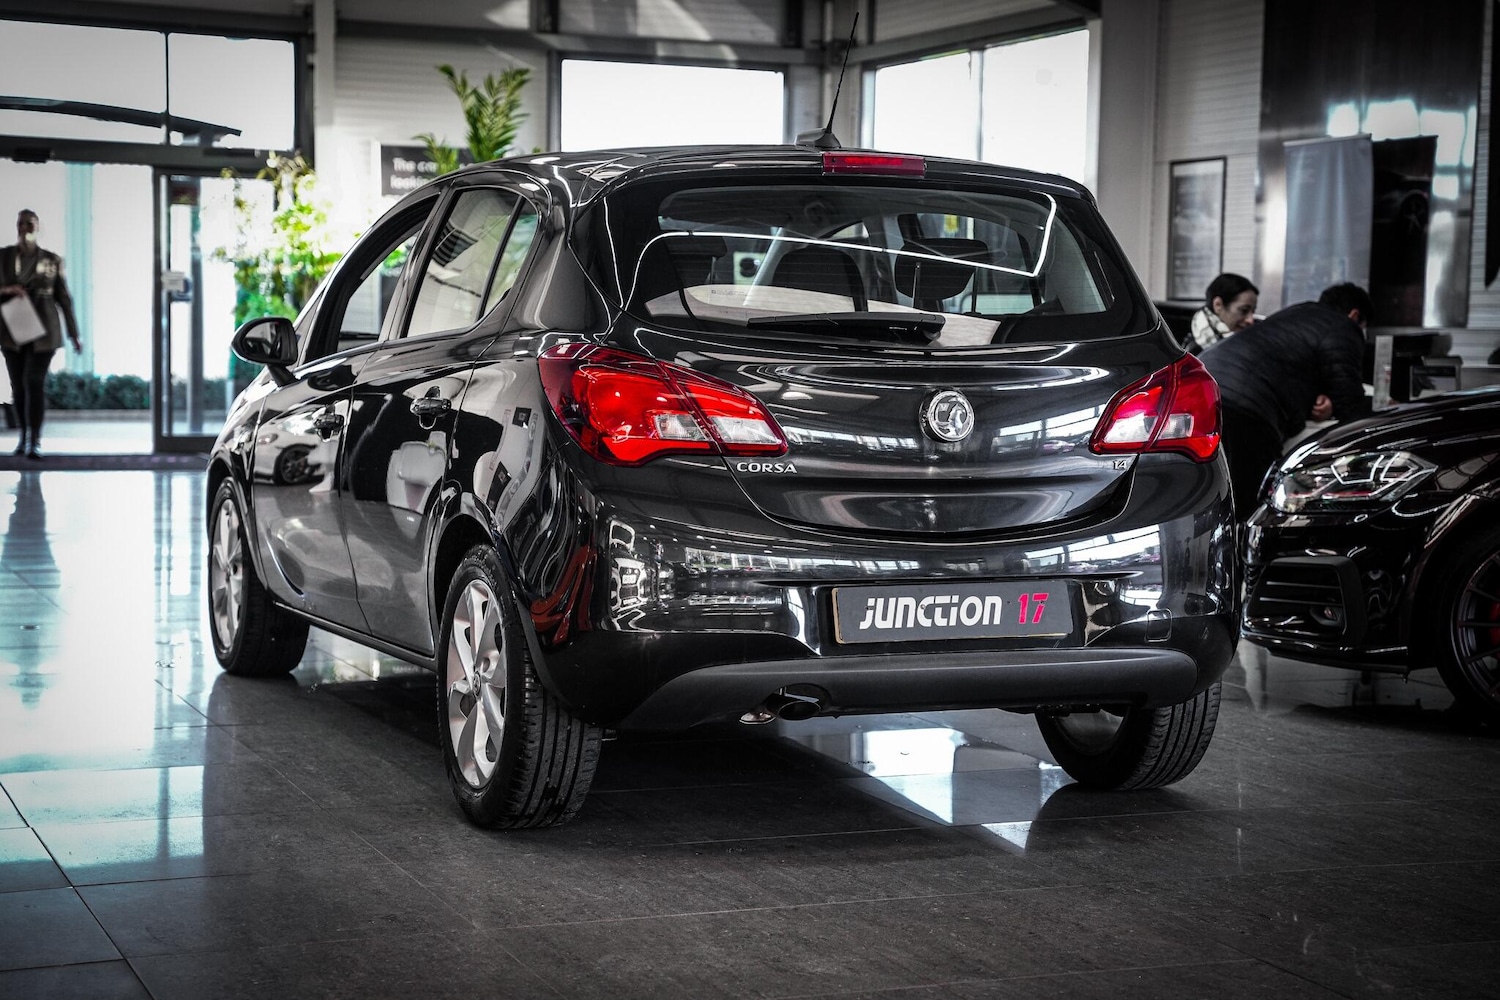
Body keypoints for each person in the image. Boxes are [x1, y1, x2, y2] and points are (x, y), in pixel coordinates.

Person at [1199, 282, 1373, 518]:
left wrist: (1320, 399)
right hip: (1245, 406)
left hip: (1205, 387)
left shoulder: (1297, 314)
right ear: (1355, 315)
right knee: (1251, 504)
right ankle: (1241, 553)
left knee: (1209, 494)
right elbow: (1349, 402)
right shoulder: (1343, 327)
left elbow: (1291, 366)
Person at [1, 210, 82, 460]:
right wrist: (8, 289)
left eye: (30, 224)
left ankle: (34, 440)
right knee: (19, 385)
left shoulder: (52, 260)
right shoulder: (4, 257)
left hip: (44, 331)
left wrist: (74, 334)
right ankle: (24, 436)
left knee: (34, 382)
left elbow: (64, 299)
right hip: (13, 327)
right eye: (21, 223)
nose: (25, 227)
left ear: (38, 228)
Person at [1190, 272, 1259, 351]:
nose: (1250, 320)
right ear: (1218, 305)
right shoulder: (1195, 354)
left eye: (1253, 312)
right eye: (1244, 311)